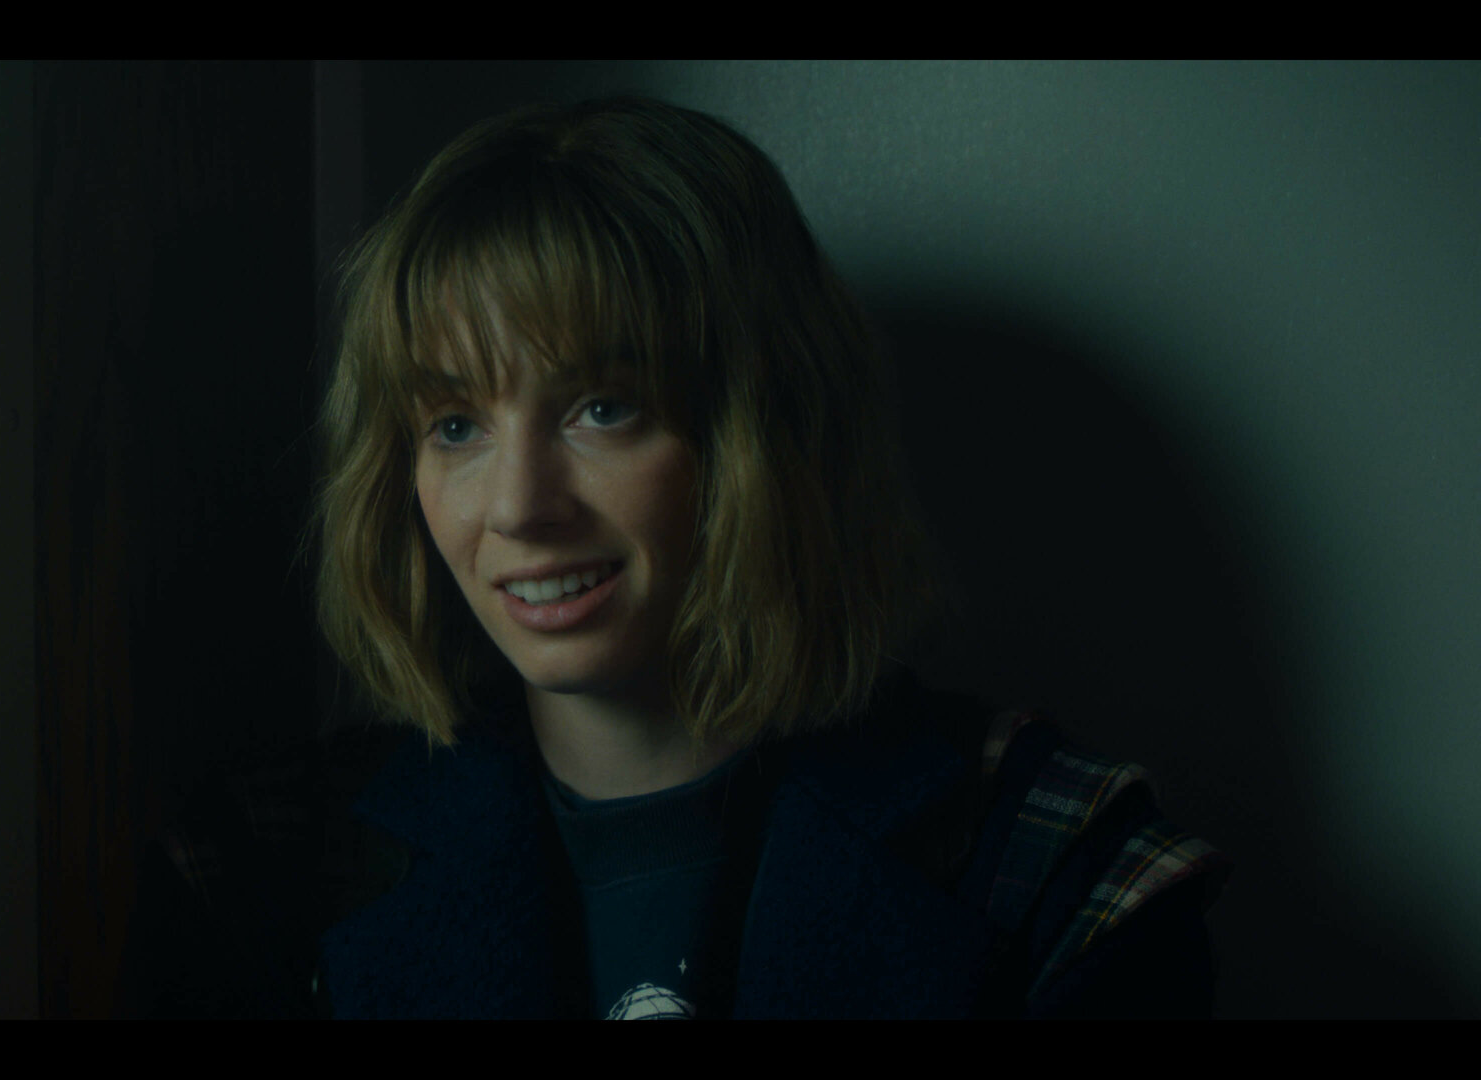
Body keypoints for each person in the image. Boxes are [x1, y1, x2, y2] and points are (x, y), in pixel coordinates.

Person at [130, 96, 1231, 1019]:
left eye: (603, 408)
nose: (517, 507)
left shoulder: (1050, 868)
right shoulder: (270, 868)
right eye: (456, 425)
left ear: (766, 434)